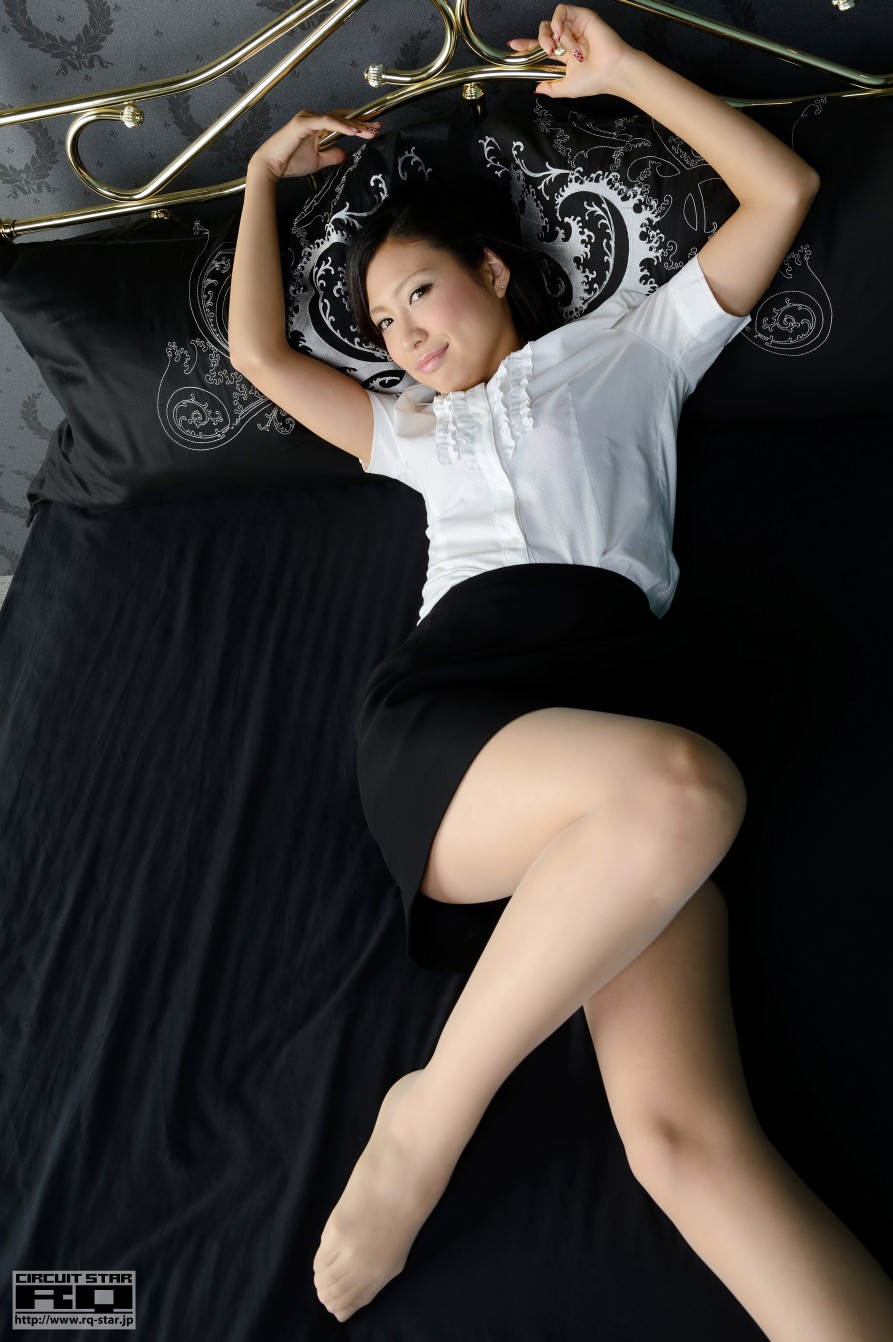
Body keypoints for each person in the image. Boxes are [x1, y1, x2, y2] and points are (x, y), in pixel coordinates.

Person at [229, 5, 893, 1334]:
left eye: (419, 291)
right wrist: (256, 177)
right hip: (461, 722)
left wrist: (625, 71)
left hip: (621, 702)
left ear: (489, 267)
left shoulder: (635, 348)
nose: (403, 333)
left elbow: (782, 191)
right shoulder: (409, 433)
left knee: (683, 1140)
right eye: (381, 321)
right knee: (683, 790)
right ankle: (429, 1116)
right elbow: (257, 355)